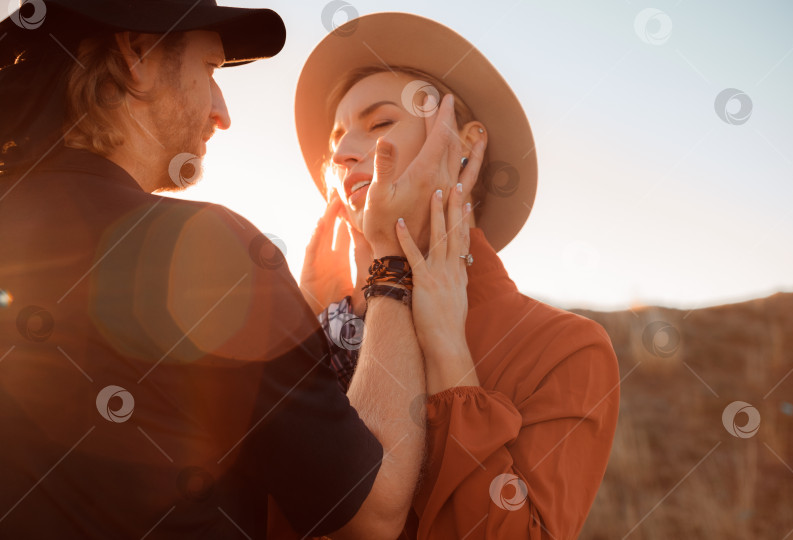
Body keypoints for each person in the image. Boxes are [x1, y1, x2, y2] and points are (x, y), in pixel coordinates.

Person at [0, 2, 470, 538]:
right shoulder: (205, 255)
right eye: (210, 70)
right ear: (137, 55)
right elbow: (372, 513)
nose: (222, 111)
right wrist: (391, 263)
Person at [286, 12, 622, 539]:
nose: (345, 151)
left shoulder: (565, 349)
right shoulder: (313, 325)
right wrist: (295, 331)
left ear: (464, 143)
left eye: (378, 124)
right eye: (337, 141)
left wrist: (449, 356)